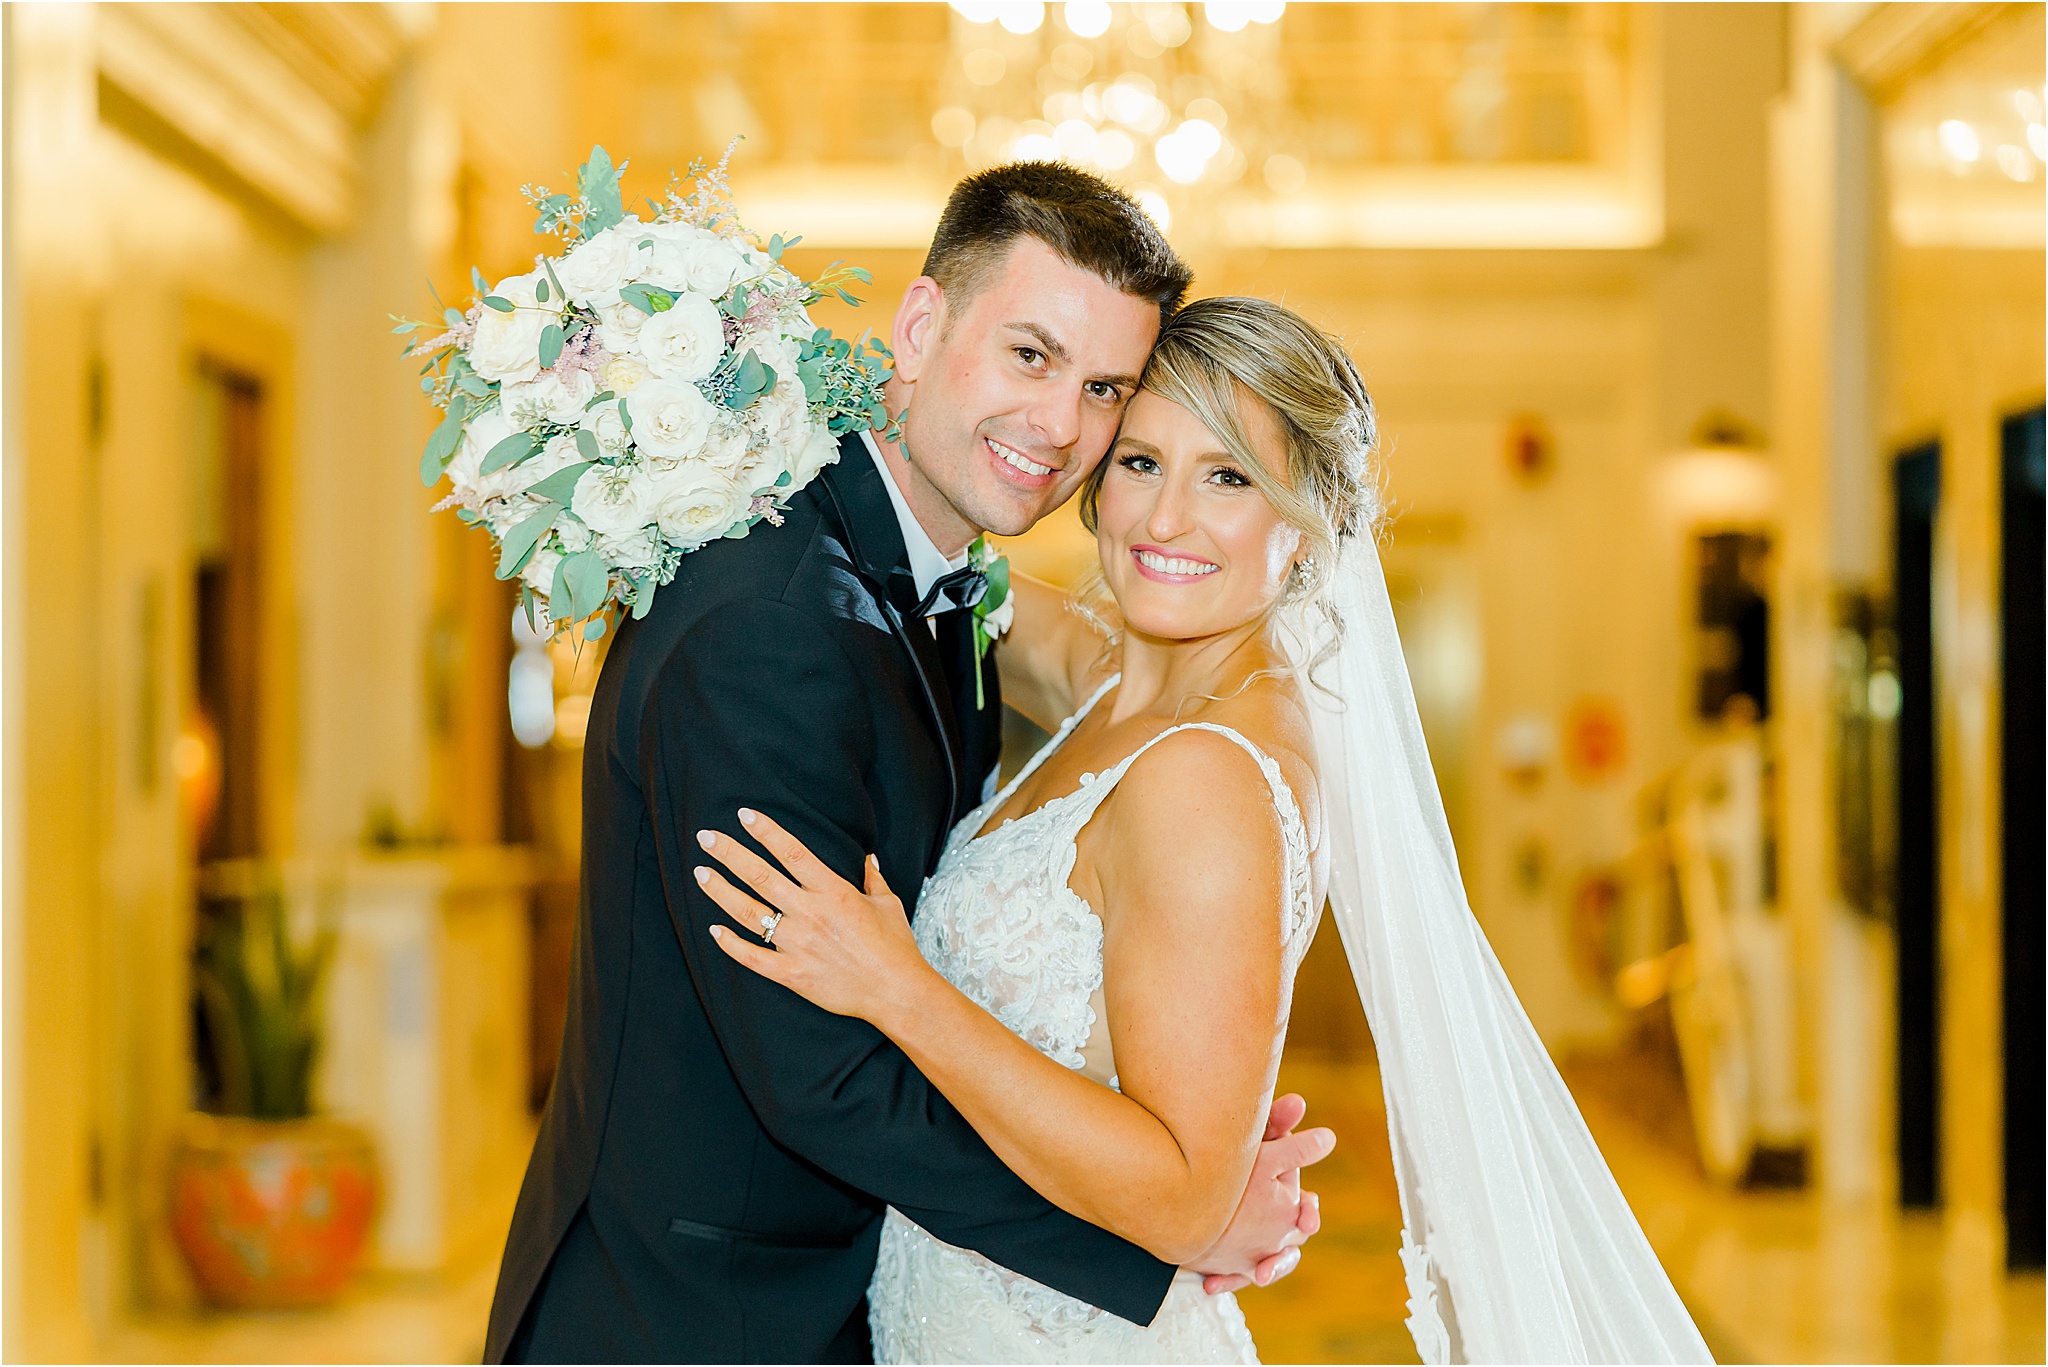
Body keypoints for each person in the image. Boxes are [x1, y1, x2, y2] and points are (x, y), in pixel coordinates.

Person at [699, 297, 1718, 1364]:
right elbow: (944, 555)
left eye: (1228, 477)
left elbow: (1182, 1196)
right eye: (1139, 461)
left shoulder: (1204, 775)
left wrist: (897, 986)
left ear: (1308, 520)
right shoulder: (1116, 678)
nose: (1164, 520)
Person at [485, 167, 1331, 1365]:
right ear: (921, 327)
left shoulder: (942, 582)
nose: (1059, 429)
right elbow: (816, 1074)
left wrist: (1182, 1177)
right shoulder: (767, 627)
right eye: (1029, 355)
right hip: (696, 1316)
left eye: (1100, 391)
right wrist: (1157, 1238)